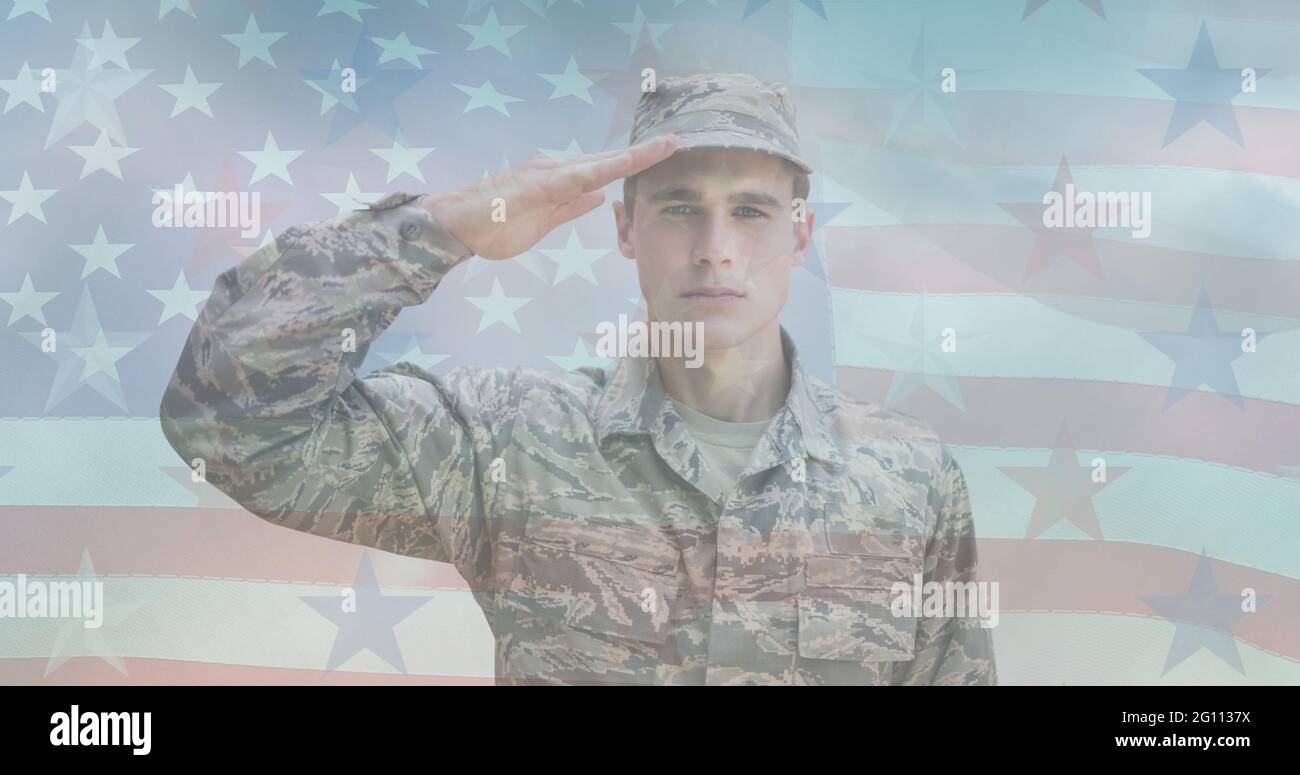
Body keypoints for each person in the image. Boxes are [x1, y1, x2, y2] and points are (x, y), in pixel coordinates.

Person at [160, 73, 996, 685]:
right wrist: (442, 227)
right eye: (678, 207)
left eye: (750, 209)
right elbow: (233, 423)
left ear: (801, 233)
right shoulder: (509, 442)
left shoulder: (907, 476)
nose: (716, 245)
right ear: (626, 228)